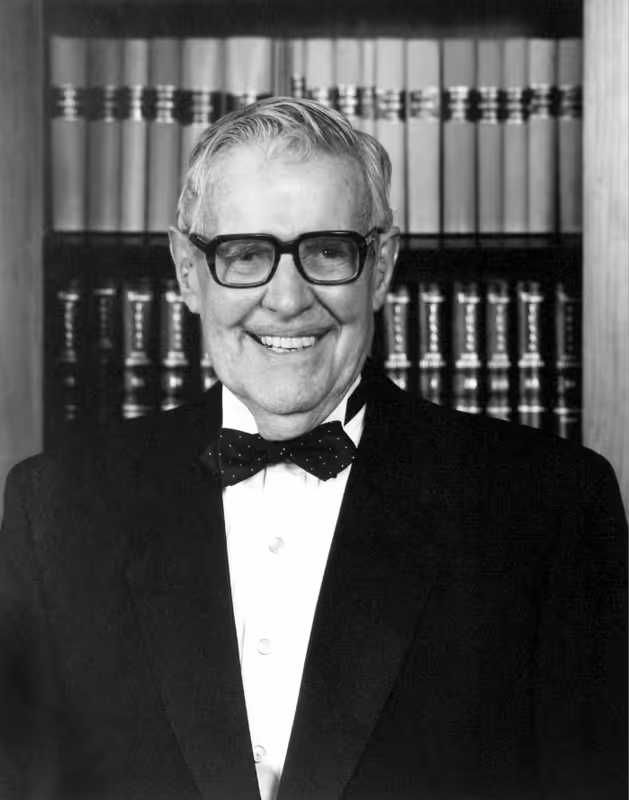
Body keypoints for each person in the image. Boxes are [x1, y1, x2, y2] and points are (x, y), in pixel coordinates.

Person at [0, 97, 626, 800]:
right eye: (245, 255)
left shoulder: (548, 507)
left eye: (328, 251)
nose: (288, 298)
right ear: (185, 271)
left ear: (381, 265)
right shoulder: (53, 509)